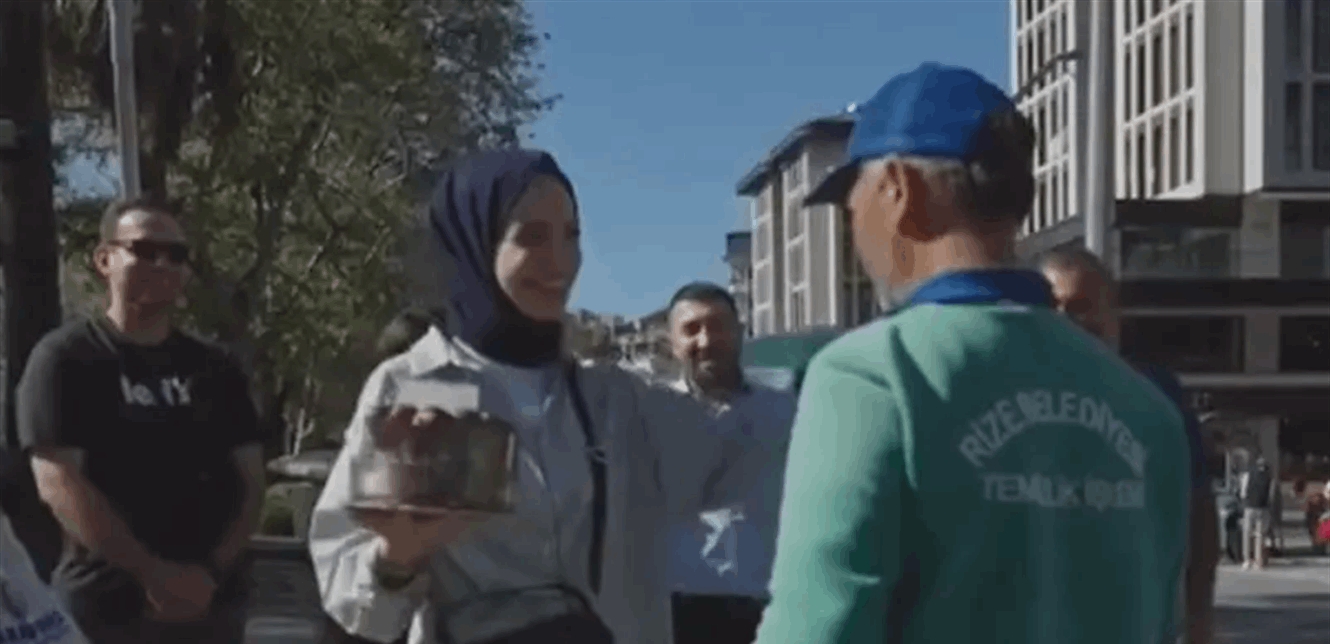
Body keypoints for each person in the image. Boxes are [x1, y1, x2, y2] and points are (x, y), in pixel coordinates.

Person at [753, 63, 1192, 644]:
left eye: (852, 203)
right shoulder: (1146, 408)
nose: (854, 228)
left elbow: (818, 625)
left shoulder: (871, 376)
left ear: (897, 188)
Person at [310, 149, 772, 644]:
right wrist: (397, 557)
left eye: (571, 236)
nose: (560, 262)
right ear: (476, 244)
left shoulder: (616, 402)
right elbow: (362, 613)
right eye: (531, 236)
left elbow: (750, 450)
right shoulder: (422, 388)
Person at [15, 199, 267, 643]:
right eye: (145, 250)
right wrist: (153, 574)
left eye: (176, 255)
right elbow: (58, 483)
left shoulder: (218, 369)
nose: (163, 264)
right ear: (104, 260)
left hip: (212, 607)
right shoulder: (65, 359)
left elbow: (251, 482)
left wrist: (208, 574)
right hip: (104, 610)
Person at [1039, 245, 1220, 644]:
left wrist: (1200, 619)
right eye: (1053, 307)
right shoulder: (1015, 393)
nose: (1066, 319)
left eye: (1081, 306)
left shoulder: (1155, 396)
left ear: (1113, 314)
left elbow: (1199, 510)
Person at [661, 282, 796, 644]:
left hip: (768, 601)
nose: (706, 340)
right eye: (691, 329)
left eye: (718, 326)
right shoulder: (652, 413)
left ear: (739, 332)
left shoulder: (784, 408)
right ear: (673, 343)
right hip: (681, 606)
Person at [1239, 456, 1275, 569]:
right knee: (1260, 535)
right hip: (1263, 508)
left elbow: (1243, 492)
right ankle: (1258, 561)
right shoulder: (1269, 477)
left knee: (1247, 533)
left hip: (1250, 506)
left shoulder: (1248, 474)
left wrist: (1244, 503)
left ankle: (1246, 559)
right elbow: (1271, 495)